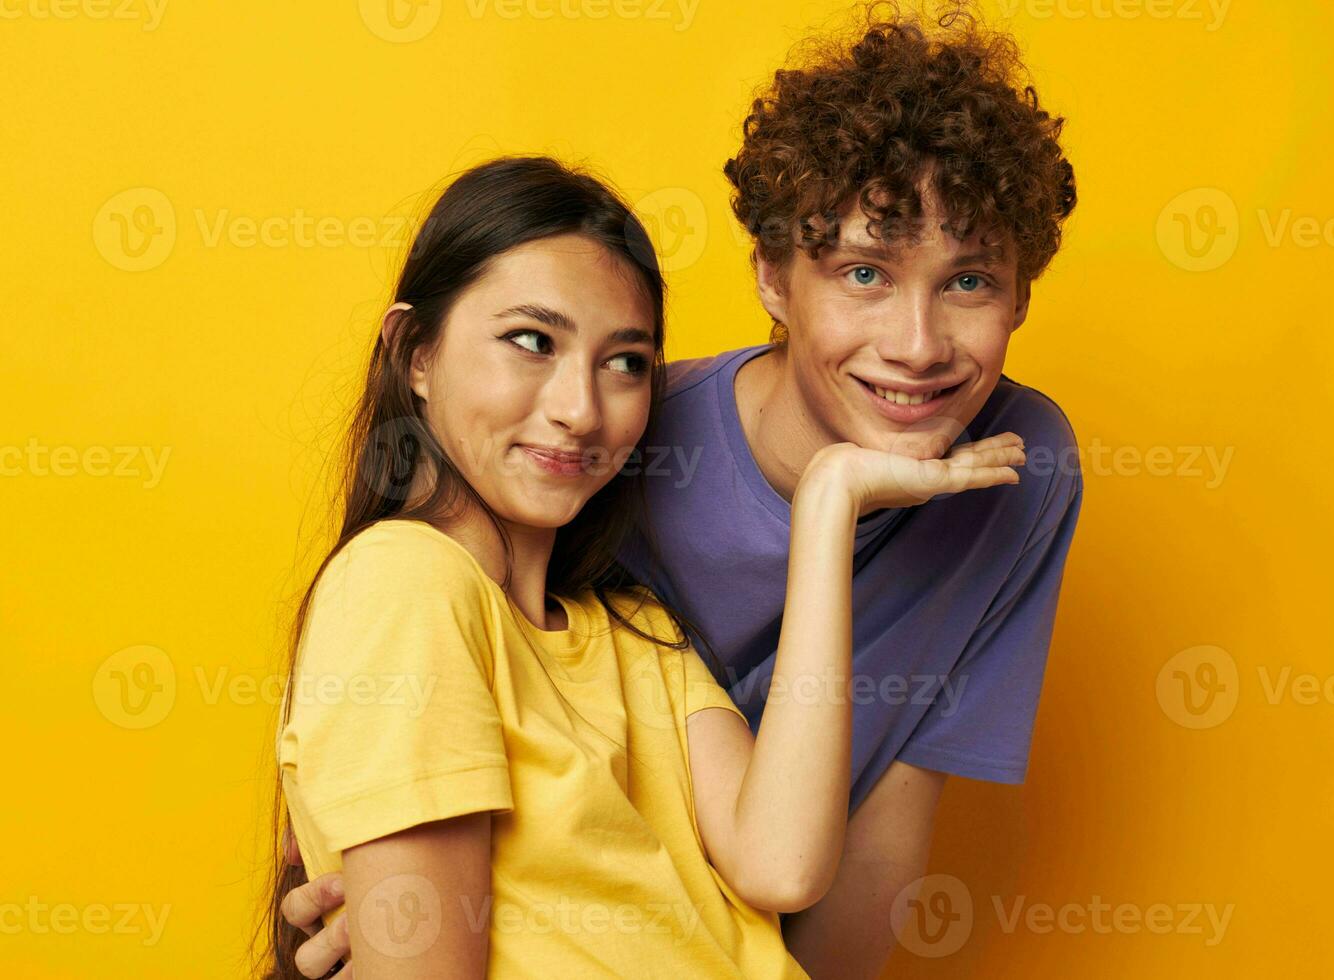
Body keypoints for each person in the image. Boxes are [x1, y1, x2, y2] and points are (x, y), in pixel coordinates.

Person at [257, 154, 1028, 978]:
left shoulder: (629, 625)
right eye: (531, 341)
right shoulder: (406, 584)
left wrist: (829, 500)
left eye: (624, 362)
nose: (579, 409)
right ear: (415, 350)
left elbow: (783, 865)